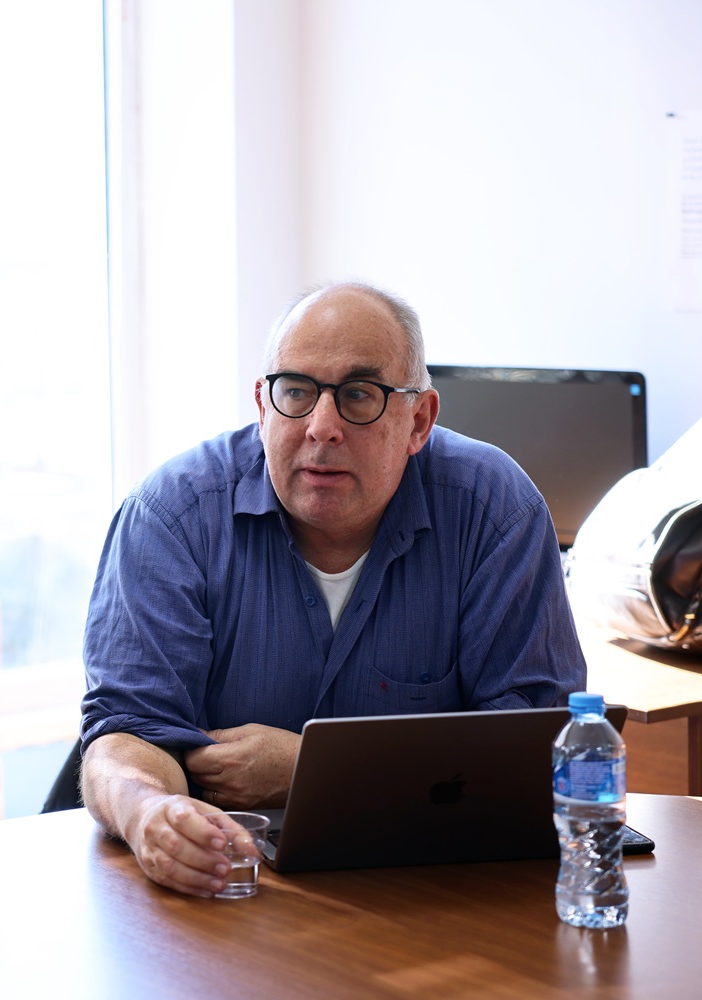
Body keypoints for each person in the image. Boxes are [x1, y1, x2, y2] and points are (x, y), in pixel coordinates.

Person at [79, 281, 585, 897]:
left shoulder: (493, 510)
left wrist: (311, 769)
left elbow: (541, 746)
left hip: (433, 886)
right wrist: (148, 811)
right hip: (231, 884)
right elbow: (126, 730)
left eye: (358, 395)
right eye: (296, 392)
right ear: (263, 407)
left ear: (419, 420)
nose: (322, 428)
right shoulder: (171, 516)